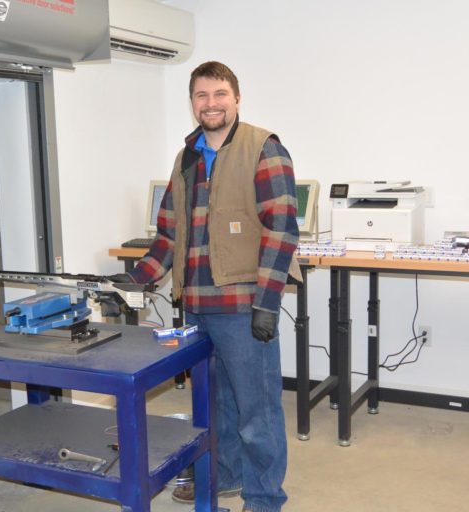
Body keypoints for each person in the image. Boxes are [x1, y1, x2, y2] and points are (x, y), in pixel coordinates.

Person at [108, 61, 301, 512]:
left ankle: (265, 497)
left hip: (242, 305)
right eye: (201, 96)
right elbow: (169, 235)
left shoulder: (263, 148)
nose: (210, 103)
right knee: (213, 404)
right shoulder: (187, 157)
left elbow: (281, 231)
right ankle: (227, 476)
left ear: (236, 97)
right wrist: (133, 281)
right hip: (195, 305)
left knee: (257, 409)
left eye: (219, 94)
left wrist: (267, 303)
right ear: (192, 102)